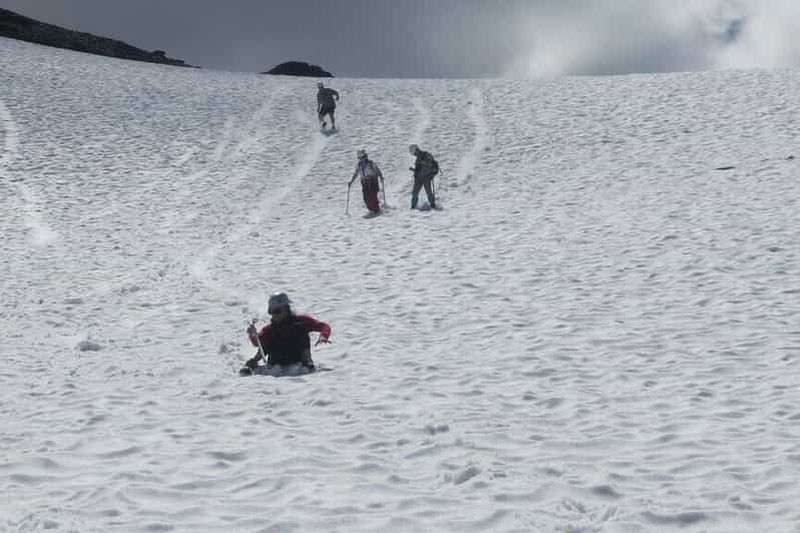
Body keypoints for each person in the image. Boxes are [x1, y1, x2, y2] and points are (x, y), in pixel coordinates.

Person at [241, 292, 331, 375]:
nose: (275, 315)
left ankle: (307, 362)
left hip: (299, 360)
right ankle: (252, 363)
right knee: (267, 342)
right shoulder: (269, 329)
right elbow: (258, 342)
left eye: (277, 311)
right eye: (272, 313)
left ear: (286, 309)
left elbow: (323, 326)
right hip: (277, 363)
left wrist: (323, 336)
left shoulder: (302, 321)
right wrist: (253, 335)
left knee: (301, 332)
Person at [348, 149, 384, 216]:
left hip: (372, 180)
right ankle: (371, 210)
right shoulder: (359, 165)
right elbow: (356, 174)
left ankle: (376, 210)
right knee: (366, 197)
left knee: (373, 196)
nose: (362, 159)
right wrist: (351, 181)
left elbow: (377, 170)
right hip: (364, 182)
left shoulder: (371, 163)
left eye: (363, 157)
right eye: (360, 158)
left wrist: (381, 176)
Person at [408, 144, 439, 210]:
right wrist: (414, 170)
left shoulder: (424, 155)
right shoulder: (420, 157)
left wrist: (417, 171)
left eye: (412, 152)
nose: (413, 154)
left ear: (414, 150)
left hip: (425, 178)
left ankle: (415, 207)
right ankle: (431, 205)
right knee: (417, 193)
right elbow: (420, 169)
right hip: (421, 178)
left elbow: (426, 167)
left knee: (423, 193)